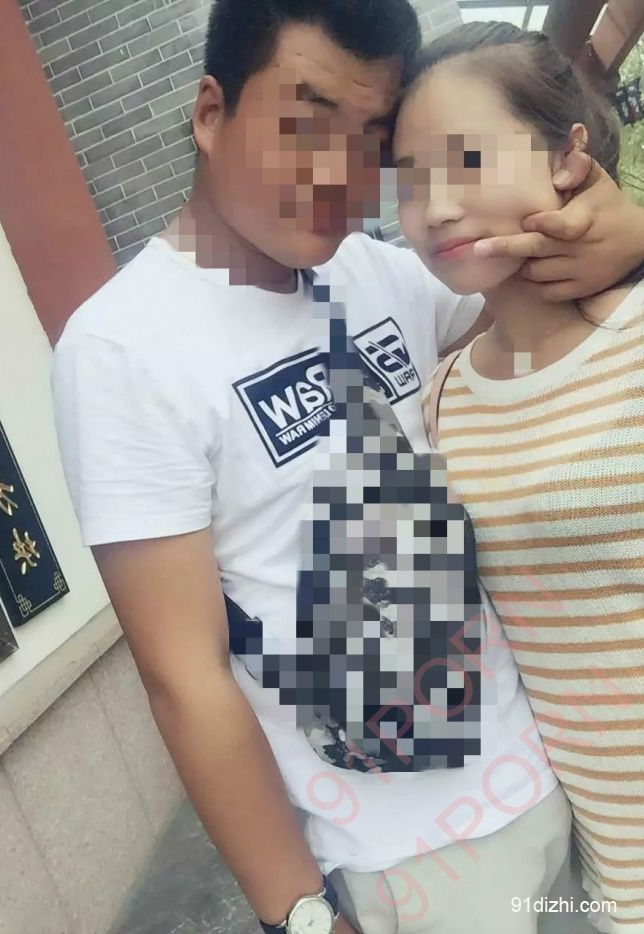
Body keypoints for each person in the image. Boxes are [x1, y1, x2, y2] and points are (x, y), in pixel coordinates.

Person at [51, 2, 644, 932]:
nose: (340, 174)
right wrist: (298, 915)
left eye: (372, 140)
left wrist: (626, 228)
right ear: (210, 113)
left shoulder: (378, 274)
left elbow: (545, 279)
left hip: (559, 785)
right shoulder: (123, 348)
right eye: (305, 123)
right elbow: (185, 678)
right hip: (413, 858)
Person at [391, 20, 644, 933]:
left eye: (467, 162)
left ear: (568, 157)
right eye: (410, 182)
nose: (436, 209)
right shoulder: (441, 402)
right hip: (609, 868)